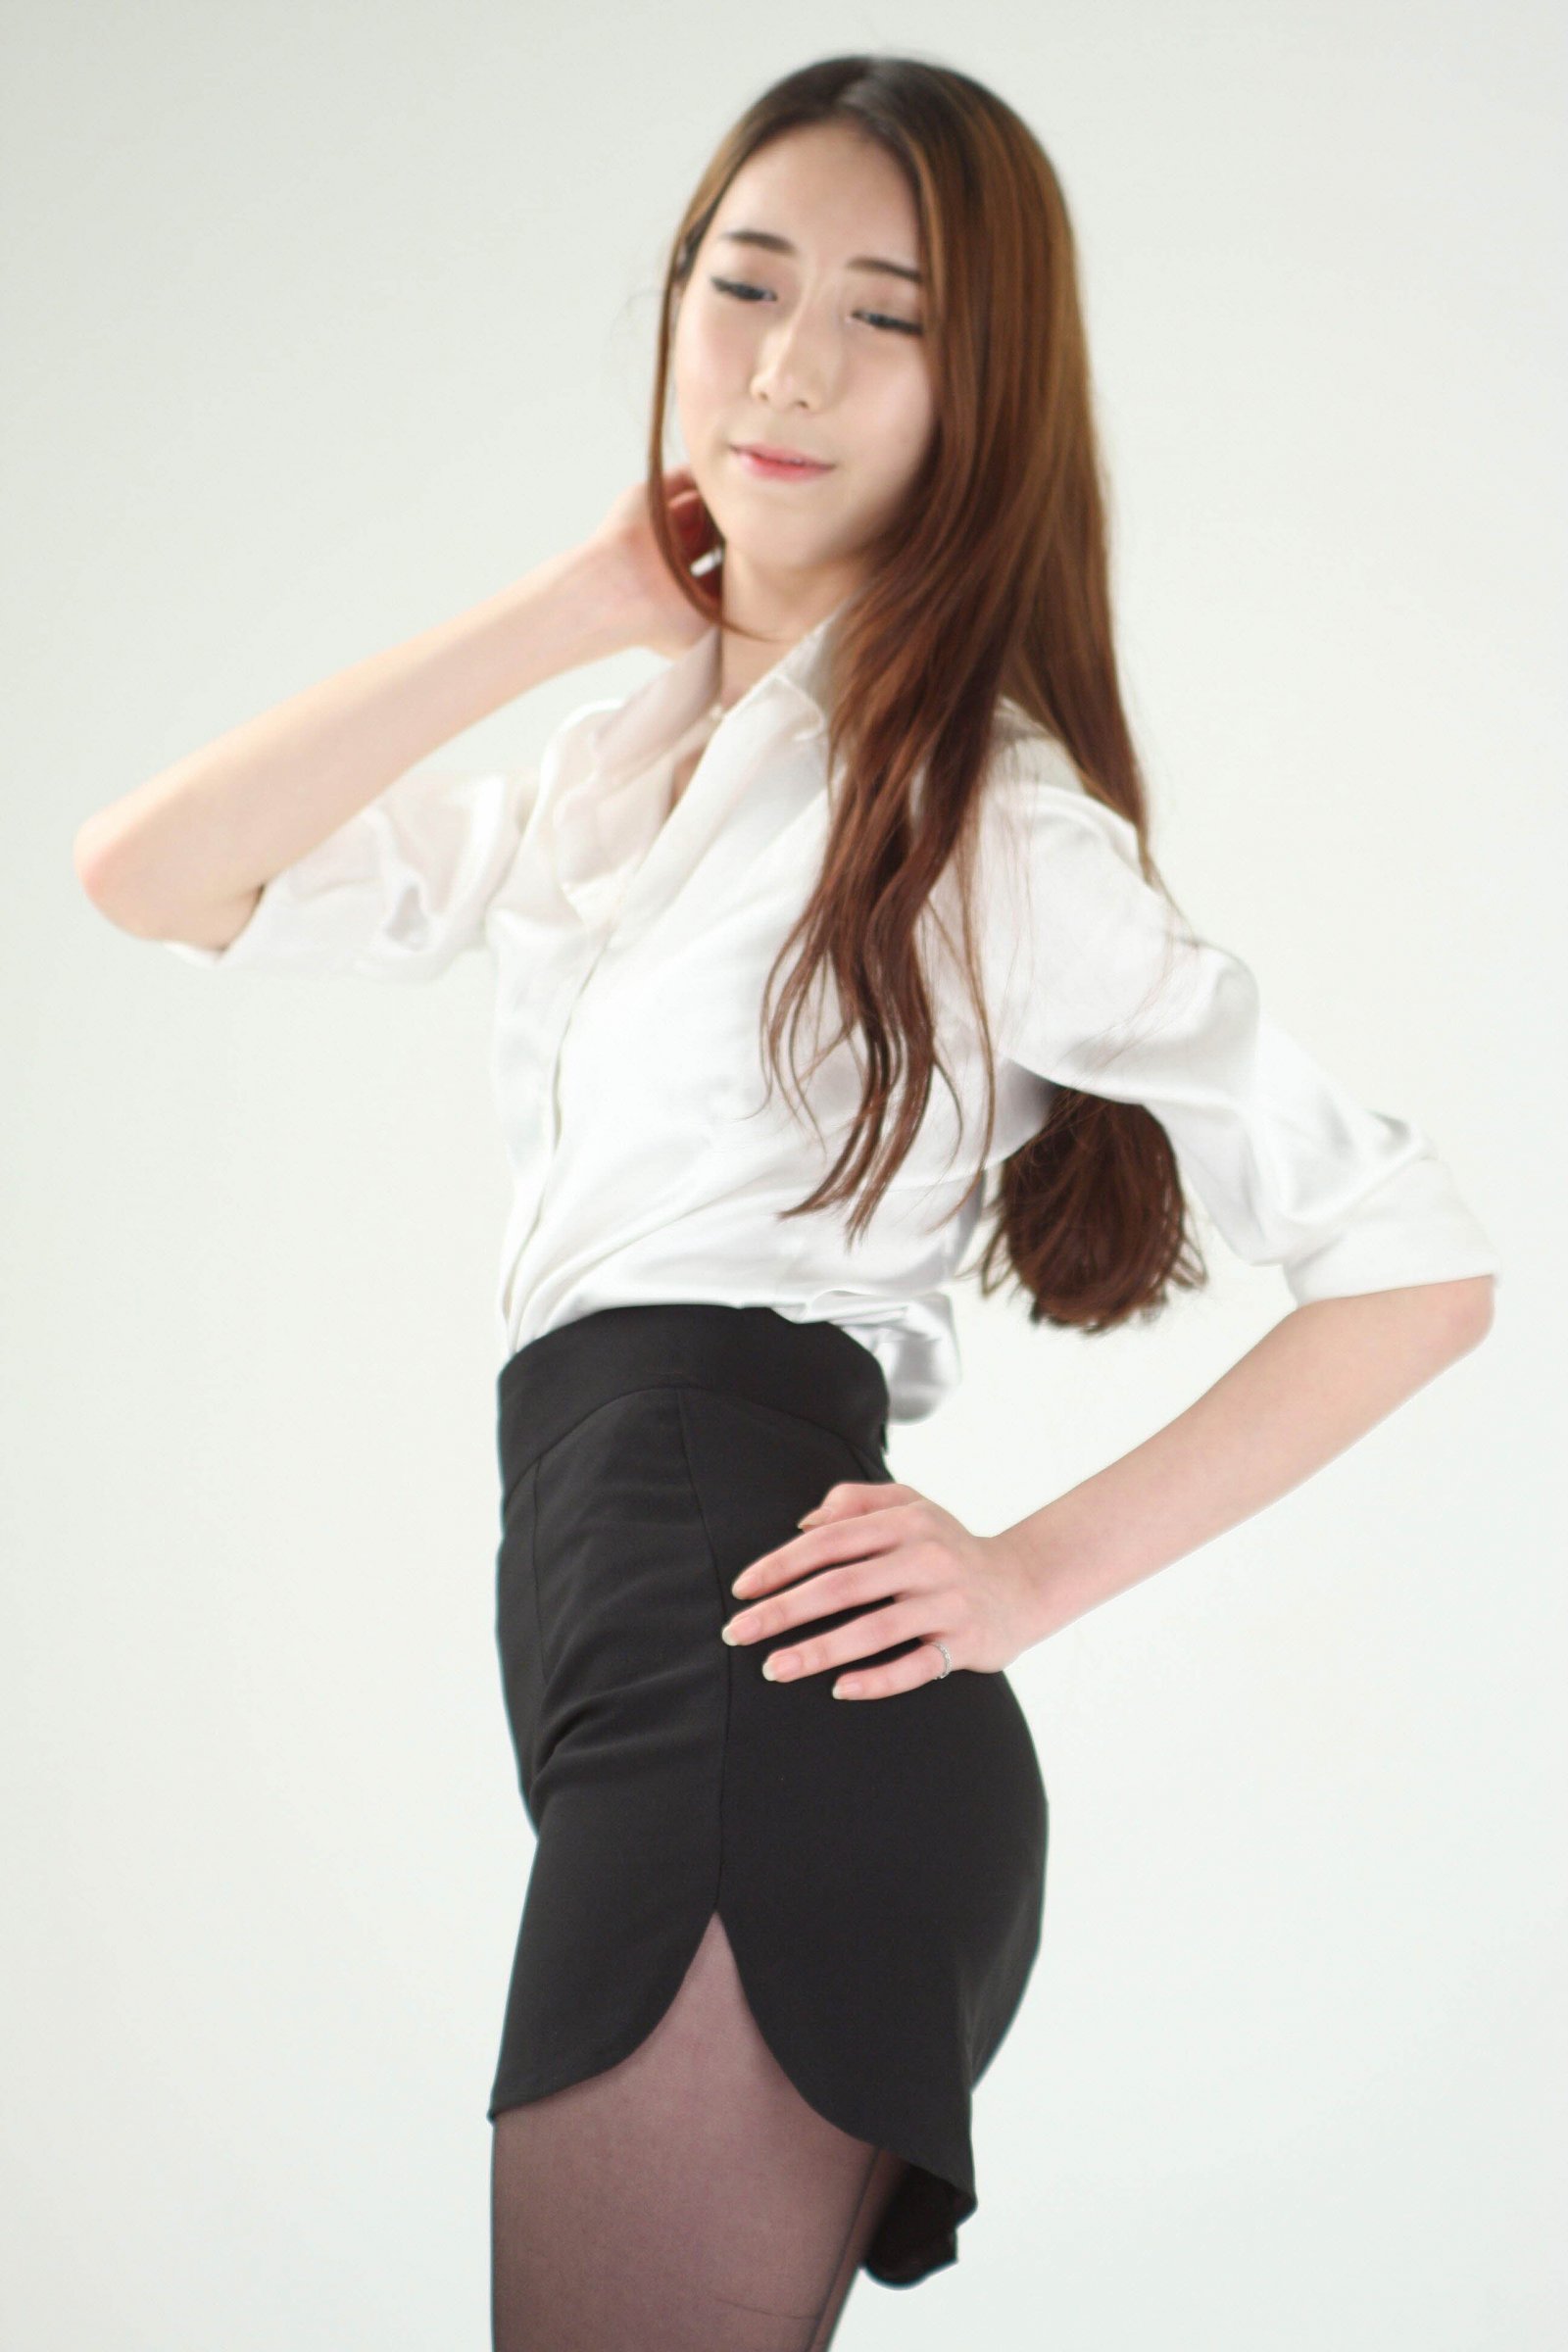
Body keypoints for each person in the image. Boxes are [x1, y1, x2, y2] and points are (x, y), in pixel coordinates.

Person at [75, 54, 1500, 2352]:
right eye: (742, 285)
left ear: (980, 391)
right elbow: (150, 871)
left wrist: (1026, 1574)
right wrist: (571, 608)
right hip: (623, 1649)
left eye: (883, 316)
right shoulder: (609, 773)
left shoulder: (976, 815)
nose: (788, 365)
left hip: (753, 1680)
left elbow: (1414, 1267)